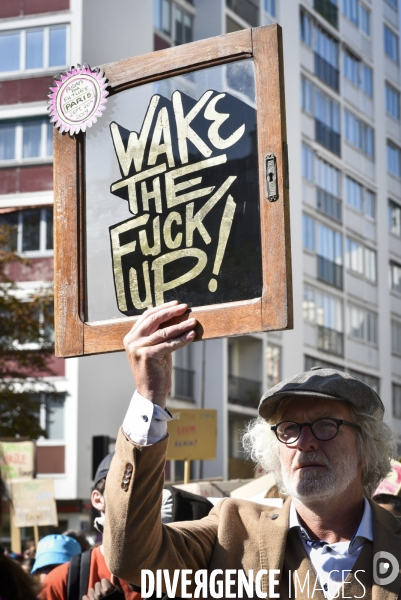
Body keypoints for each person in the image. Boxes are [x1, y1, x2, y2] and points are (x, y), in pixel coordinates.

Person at [103, 301, 400, 600]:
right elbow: (131, 557)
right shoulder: (232, 528)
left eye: (325, 426)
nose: (304, 441)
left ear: (366, 448)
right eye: (289, 429)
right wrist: (149, 397)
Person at [40, 453, 142, 600]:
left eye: (148, 489)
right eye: (124, 488)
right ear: (97, 499)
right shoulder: (61, 581)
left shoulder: (174, 578)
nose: (138, 498)